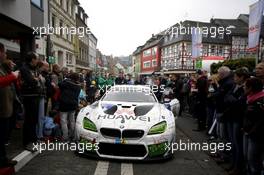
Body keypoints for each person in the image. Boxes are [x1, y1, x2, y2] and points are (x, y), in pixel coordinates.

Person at [224, 67, 249, 175]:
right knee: (232, 142)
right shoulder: (235, 86)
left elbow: (239, 104)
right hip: (231, 116)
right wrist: (232, 99)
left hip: (238, 119)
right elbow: (227, 97)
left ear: (241, 77)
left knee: (237, 144)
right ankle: (233, 164)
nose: (234, 78)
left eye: (235, 76)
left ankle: (238, 167)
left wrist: (231, 99)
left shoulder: (246, 88)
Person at [19, 52, 43, 151]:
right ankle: (27, 142)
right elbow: (31, 81)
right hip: (29, 97)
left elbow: (39, 80)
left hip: (35, 96)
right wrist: (36, 79)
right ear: (32, 59)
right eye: (37, 58)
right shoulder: (24, 68)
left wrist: (36, 79)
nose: (38, 60)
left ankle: (33, 140)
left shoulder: (34, 69)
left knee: (34, 120)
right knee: (29, 120)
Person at [0, 42, 18, 168]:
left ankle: (3, 159)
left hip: (6, 107)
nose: (5, 55)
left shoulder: (2, 67)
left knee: (3, 135)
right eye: (4, 52)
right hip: (1, 108)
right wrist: (13, 75)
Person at [243, 77, 264, 175]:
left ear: (250, 88)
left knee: (253, 160)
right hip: (248, 131)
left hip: (255, 134)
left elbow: (260, 120)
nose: (243, 87)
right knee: (247, 156)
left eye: (245, 86)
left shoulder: (260, 101)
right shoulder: (249, 98)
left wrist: (251, 131)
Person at [59, 73, 81, 142]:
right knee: (72, 121)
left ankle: (65, 137)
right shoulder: (78, 86)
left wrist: (65, 80)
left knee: (63, 121)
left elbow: (59, 84)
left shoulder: (66, 83)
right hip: (73, 104)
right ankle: (72, 136)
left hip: (64, 104)